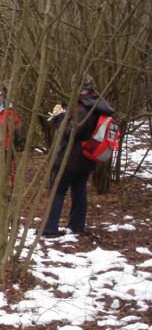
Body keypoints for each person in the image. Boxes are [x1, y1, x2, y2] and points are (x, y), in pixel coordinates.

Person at [43, 75, 114, 238]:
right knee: (79, 188)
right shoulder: (99, 105)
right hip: (88, 156)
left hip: (72, 157)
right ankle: (77, 225)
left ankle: (49, 228)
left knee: (58, 190)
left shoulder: (82, 109)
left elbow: (70, 132)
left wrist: (59, 117)